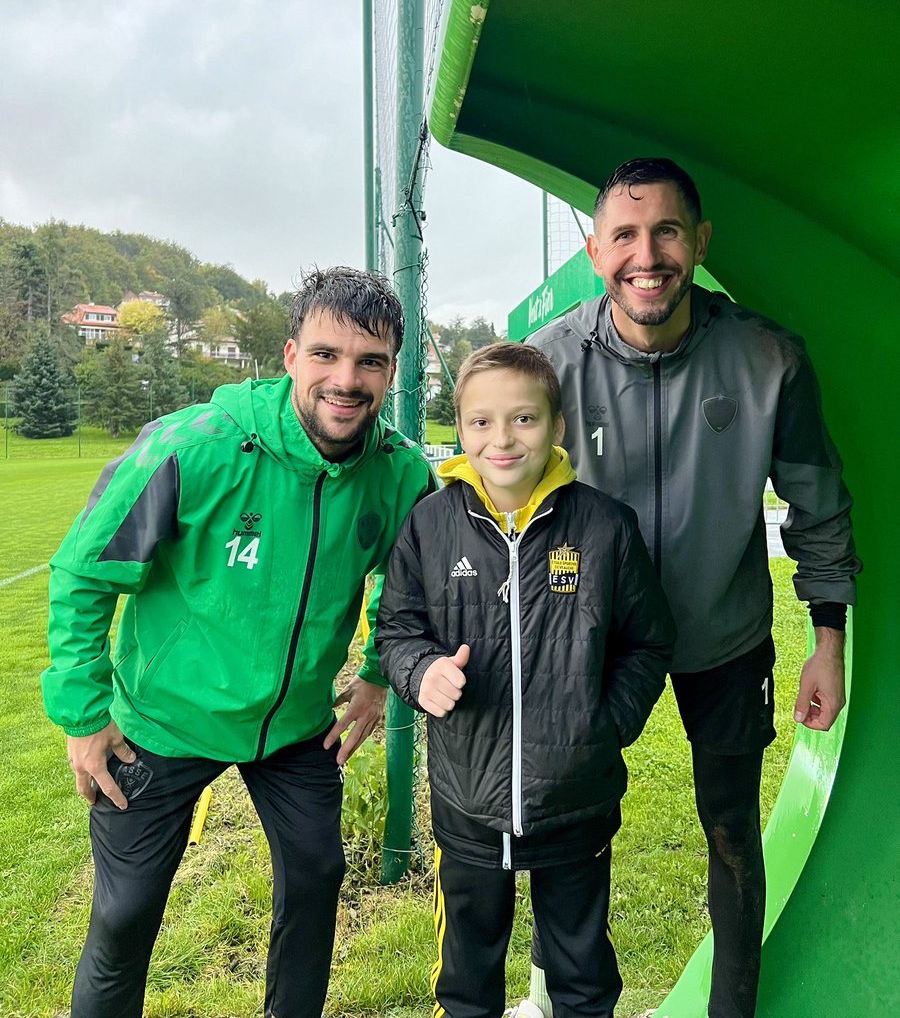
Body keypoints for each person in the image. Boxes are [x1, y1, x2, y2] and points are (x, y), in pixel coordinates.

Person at [41, 265, 435, 1018]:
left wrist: (382, 672)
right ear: (289, 355)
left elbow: (407, 584)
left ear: (391, 370)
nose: (345, 380)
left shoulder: (400, 472)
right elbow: (85, 572)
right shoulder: (198, 446)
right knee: (122, 922)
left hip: (294, 730)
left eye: (369, 361)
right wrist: (85, 717)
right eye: (325, 355)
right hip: (162, 723)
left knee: (318, 883)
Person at [517, 158, 860, 1018]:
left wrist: (828, 638)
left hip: (726, 636)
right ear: (595, 251)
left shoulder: (769, 356)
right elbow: (505, 508)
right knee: (568, 831)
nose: (648, 254)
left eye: (667, 231)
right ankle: (569, 999)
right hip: (594, 643)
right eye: (625, 236)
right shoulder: (549, 364)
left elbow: (817, 501)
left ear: (700, 243)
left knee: (733, 833)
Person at [376, 342, 675, 1018]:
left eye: (524, 419)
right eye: (480, 422)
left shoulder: (605, 527)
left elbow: (648, 641)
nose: (501, 439)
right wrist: (419, 672)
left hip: (576, 800)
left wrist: (607, 725)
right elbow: (396, 631)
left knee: (582, 970)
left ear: (558, 427)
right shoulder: (429, 525)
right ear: (460, 429)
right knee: (467, 974)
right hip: (467, 802)